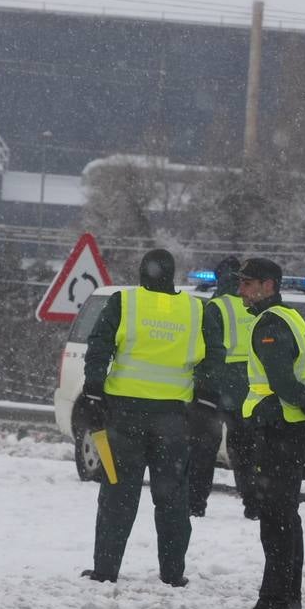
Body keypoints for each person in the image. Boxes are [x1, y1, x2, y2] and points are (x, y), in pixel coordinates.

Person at [78, 248, 205, 587]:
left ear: (142, 273)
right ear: (172, 275)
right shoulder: (195, 310)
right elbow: (211, 360)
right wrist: (206, 405)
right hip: (174, 418)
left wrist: (93, 391)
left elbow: (99, 346)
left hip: (125, 416)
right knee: (173, 497)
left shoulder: (125, 303)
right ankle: (173, 573)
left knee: (118, 494)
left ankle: (105, 570)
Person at [231, 257, 305, 609]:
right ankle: (289, 599)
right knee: (287, 517)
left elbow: (284, 385)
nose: (241, 290)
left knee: (275, 521)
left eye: (247, 283)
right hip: (293, 431)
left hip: (277, 432)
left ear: (267, 285)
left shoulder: (269, 324)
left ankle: (274, 601)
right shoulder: (294, 318)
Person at [187, 255, 258, 519]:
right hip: (249, 388)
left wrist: (201, 384)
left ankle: (195, 504)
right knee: (246, 451)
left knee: (203, 452)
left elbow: (204, 349)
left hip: (215, 389)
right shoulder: (254, 304)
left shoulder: (215, 307)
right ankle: (253, 504)